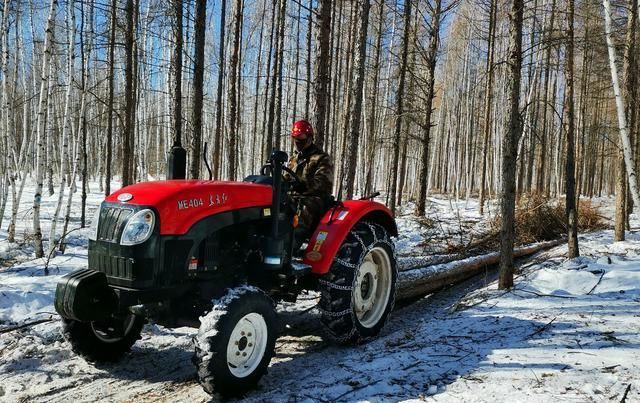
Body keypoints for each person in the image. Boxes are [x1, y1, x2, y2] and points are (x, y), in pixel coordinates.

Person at [285, 120, 334, 251]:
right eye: (295, 138)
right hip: (294, 195)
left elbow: (323, 183)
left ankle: (288, 250)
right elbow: (287, 177)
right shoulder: (293, 159)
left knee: (301, 209)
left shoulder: (321, 158)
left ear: (310, 138)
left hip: (315, 198)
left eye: (301, 138)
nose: (298, 142)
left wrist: (303, 185)